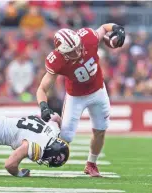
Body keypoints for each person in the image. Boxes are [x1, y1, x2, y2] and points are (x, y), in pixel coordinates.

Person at [36, 23, 125, 177]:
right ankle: (42, 144)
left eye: (78, 46)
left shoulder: (87, 38)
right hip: (75, 97)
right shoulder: (56, 60)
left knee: (100, 130)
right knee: (65, 138)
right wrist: (43, 106)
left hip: (98, 91)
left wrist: (117, 29)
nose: (78, 51)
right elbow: (42, 88)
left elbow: (104, 28)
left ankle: (91, 164)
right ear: (61, 52)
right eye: (72, 51)